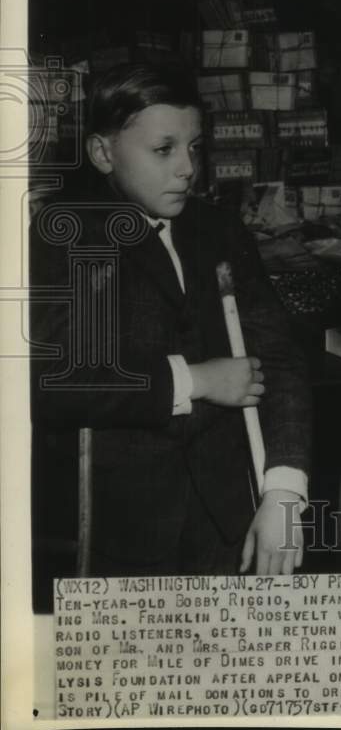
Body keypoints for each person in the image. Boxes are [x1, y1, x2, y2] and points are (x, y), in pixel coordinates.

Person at [31, 62, 310, 580]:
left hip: (228, 521)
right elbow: (53, 380)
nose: (187, 167)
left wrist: (285, 493)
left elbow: (280, 361)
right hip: (120, 530)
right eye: (164, 150)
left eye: (195, 147)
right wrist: (196, 379)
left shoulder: (220, 231)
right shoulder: (64, 236)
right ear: (102, 153)